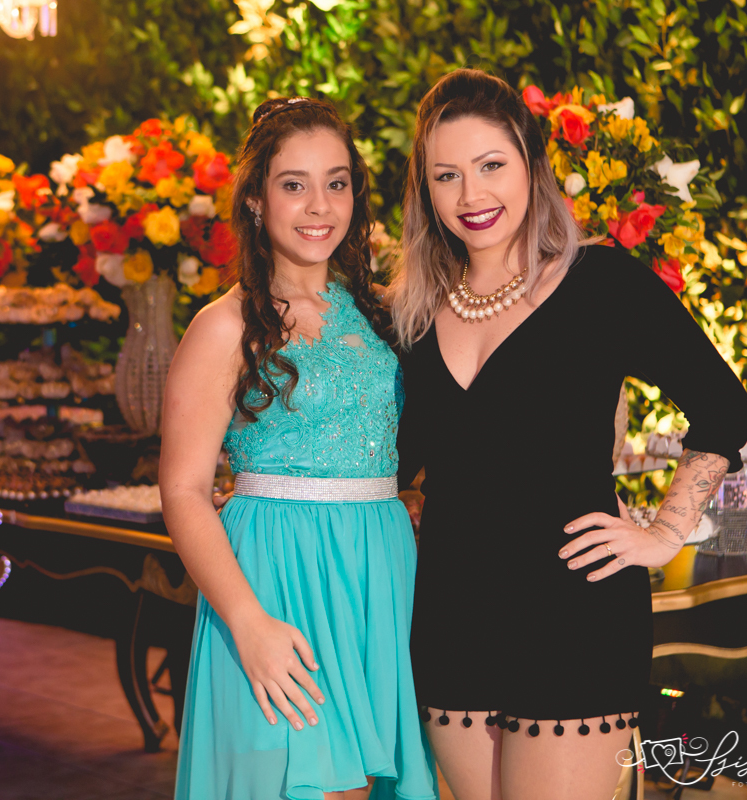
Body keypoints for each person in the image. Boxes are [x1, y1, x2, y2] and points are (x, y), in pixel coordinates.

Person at [389, 69, 747, 800]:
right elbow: (396, 467)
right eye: (447, 175)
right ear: (426, 191)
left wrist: (665, 532)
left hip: (574, 609)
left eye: (491, 165)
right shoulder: (412, 315)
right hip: (451, 615)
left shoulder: (602, 283)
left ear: (532, 163)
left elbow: (722, 407)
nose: (471, 194)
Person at [161, 97, 438, 800]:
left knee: (370, 783)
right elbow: (184, 491)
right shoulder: (223, 326)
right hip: (274, 580)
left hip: (378, 575)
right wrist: (248, 623)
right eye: (294, 184)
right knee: (299, 781)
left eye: (336, 183)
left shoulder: (384, 312)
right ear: (256, 200)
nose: (319, 205)